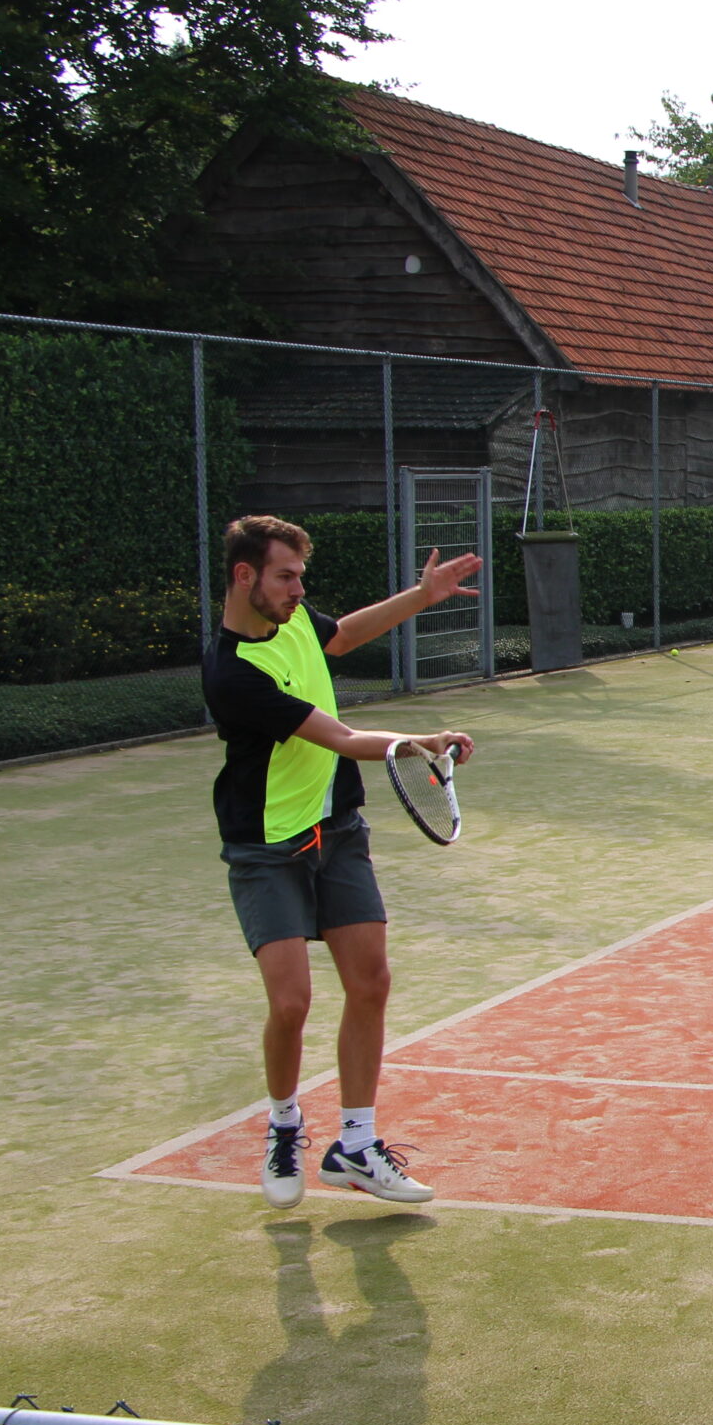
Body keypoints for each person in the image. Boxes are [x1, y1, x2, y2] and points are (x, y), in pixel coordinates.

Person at [203, 515, 481, 1210]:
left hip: (338, 830)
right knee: (291, 1002)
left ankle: (355, 1145)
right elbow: (339, 735)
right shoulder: (232, 672)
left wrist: (421, 595)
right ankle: (283, 1124)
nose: (298, 590)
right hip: (268, 847)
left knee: (371, 981)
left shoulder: (293, 617)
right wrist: (419, 741)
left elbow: (344, 635)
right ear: (245, 576)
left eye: (301, 577)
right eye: (285, 577)